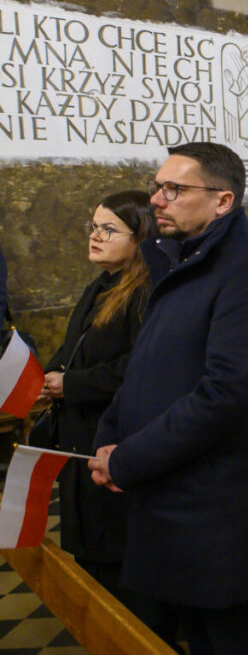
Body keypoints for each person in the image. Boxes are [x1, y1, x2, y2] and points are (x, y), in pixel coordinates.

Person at [88, 142, 248, 655]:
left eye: (174, 189)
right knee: (189, 629)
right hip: (166, 481)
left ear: (222, 201)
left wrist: (131, 457)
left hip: (211, 496)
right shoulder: (178, 263)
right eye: (158, 185)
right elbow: (145, 367)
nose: (157, 198)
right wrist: (111, 437)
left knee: (228, 627)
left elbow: (226, 393)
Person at [39, 191, 155, 616]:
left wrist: (74, 384)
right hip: (80, 436)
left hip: (113, 437)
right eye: (94, 226)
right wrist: (50, 374)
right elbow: (78, 345)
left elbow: (140, 366)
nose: (95, 236)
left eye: (109, 229)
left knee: (116, 560)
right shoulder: (102, 284)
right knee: (90, 553)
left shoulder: (146, 292)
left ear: (140, 237)